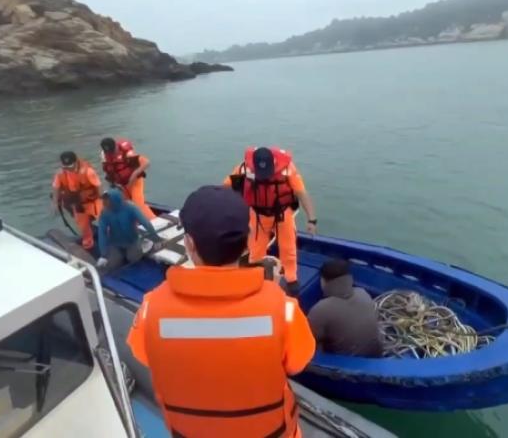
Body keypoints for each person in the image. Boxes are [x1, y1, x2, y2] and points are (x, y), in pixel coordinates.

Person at [127, 186, 315, 438]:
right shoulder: (284, 309)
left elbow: (143, 355)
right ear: (247, 241)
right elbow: (298, 363)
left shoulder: (151, 309)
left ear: (189, 243)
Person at [224, 147, 318, 296]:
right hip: (257, 215)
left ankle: (290, 279)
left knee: (288, 248)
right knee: (255, 250)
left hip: (282, 213)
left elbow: (301, 193)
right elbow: (225, 188)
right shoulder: (244, 168)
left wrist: (312, 220)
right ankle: (256, 277)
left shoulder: (287, 169)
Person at [308, 259, 383, 357]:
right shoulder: (362, 293)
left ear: (323, 281)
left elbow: (307, 339)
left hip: (347, 361)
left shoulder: (321, 309)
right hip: (376, 355)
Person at [96, 188, 161, 270]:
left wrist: (156, 239)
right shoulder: (105, 212)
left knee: (133, 259)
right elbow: (102, 232)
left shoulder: (131, 208)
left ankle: (144, 245)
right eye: (103, 200)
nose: (104, 203)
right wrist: (103, 255)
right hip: (115, 243)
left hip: (132, 241)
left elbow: (145, 223)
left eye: (106, 200)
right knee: (112, 264)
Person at [51, 151, 102, 250]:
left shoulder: (88, 171)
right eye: (66, 166)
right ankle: (89, 245)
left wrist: (103, 200)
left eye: (70, 166)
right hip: (78, 203)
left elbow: (98, 185)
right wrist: (55, 203)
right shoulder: (60, 173)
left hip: (92, 201)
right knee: (83, 226)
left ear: (76, 162)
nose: (68, 169)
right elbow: (56, 187)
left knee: (103, 218)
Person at [100, 137, 156, 220]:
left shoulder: (127, 153)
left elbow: (146, 163)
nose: (111, 154)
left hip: (135, 181)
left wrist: (133, 176)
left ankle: (155, 221)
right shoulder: (105, 156)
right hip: (121, 185)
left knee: (138, 204)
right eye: (108, 152)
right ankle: (135, 223)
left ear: (115, 146)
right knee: (124, 205)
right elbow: (108, 172)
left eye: (112, 151)